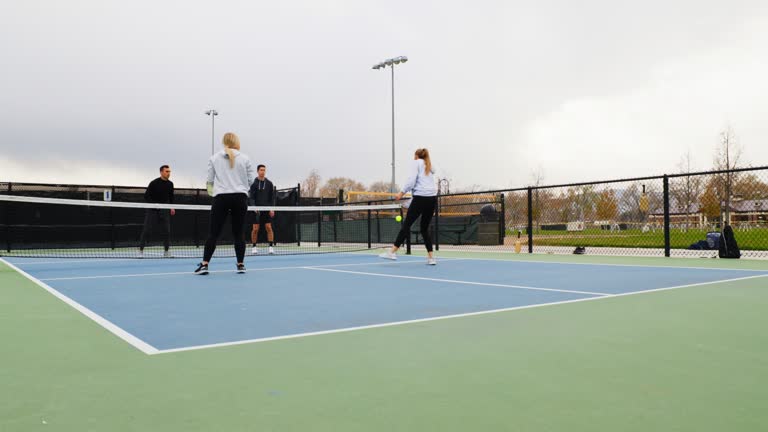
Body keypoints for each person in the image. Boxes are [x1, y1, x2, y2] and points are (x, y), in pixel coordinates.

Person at [194, 132, 256, 275]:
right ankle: (241, 265)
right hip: (240, 198)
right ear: (237, 142)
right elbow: (251, 180)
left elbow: (209, 181)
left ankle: (204, 265)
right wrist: (243, 189)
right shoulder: (245, 158)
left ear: (224, 142)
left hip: (221, 198)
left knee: (213, 233)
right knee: (239, 233)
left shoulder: (214, 158)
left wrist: (213, 193)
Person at [379, 148, 438, 265]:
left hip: (420, 198)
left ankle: (392, 252)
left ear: (416, 156)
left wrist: (401, 193)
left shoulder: (416, 163)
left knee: (406, 225)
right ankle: (431, 258)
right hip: (432, 199)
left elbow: (411, 180)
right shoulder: (429, 164)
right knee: (424, 229)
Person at [139, 165, 175, 258]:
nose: (169, 173)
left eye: (169, 171)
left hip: (164, 210)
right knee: (147, 230)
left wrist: (172, 207)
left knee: (167, 231)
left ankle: (166, 251)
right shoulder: (154, 183)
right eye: (167, 171)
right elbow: (146, 196)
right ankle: (140, 250)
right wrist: (154, 205)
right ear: (161, 172)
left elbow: (171, 197)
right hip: (152, 210)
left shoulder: (170, 184)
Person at [249, 164, 276, 255]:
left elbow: (272, 197)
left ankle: (271, 247)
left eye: (264, 170)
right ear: (257, 171)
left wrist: (271, 209)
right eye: (261, 170)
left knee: (269, 227)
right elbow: (251, 197)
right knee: (255, 229)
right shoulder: (254, 184)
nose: (263, 172)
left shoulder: (269, 183)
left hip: (266, 209)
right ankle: (254, 247)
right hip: (256, 210)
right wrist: (254, 207)